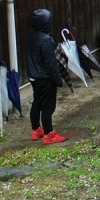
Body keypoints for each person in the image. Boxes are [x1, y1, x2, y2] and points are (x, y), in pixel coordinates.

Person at [26, 9, 66, 144]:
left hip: (33, 76)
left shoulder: (31, 36)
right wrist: (58, 80)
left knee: (37, 102)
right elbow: (51, 63)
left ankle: (36, 129)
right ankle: (49, 134)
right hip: (45, 78)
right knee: (48, 107)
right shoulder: (46, 40)